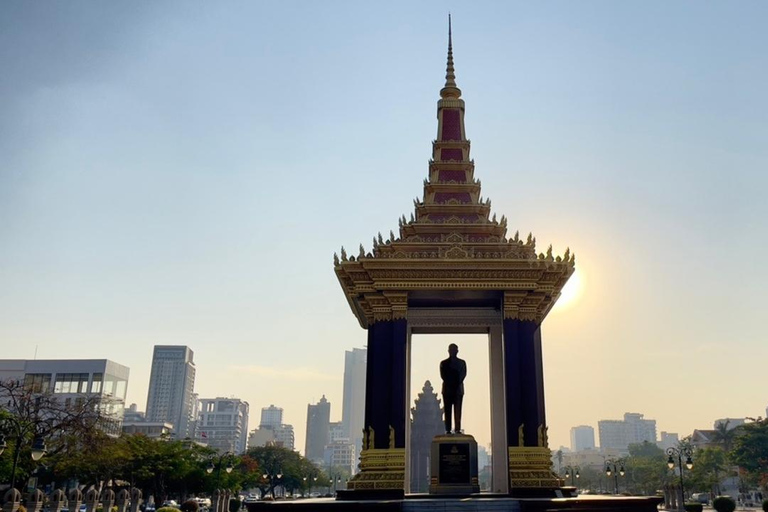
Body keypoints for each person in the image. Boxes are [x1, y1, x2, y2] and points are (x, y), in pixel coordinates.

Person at [439, 343, 467, 434]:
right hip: (447, 390)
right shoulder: (443, 363)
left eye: (454, 350)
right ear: (448, 351)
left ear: (457, 351)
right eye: (451, 350)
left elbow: (463, 374)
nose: (453, 352)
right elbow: (443, 376)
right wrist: (451, 383)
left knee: (458, 410)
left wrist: (456, 383)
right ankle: (448, 429)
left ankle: (457, 429)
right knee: (447, 410)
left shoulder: (462, 363)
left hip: (458, 390)